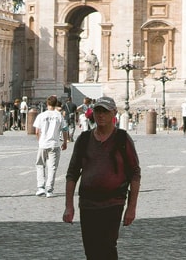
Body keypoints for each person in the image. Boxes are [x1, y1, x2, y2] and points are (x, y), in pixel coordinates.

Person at [63, 96, 142, 260]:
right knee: (91, 250)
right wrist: (69, 206)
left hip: (113, 202)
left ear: (113, 113)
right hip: (88, 204)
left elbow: (134, 173)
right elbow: (72, 173)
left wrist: (131, 207)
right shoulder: (84, 139)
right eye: (98, 111)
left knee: (107, 246)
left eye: (104, 112)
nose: (100, 115)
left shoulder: (122, 139)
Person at [34, 95, 70, 198]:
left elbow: (37, 131)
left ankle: (40, 187)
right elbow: (65, 129)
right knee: (52, 167)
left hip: (43, 144)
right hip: (54, 144)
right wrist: (65, 142)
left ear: (47, 104)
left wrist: (40, 141)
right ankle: (49, 190)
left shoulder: (41, 115)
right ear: (56, 104)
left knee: (40, 165)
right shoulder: (59, 116)